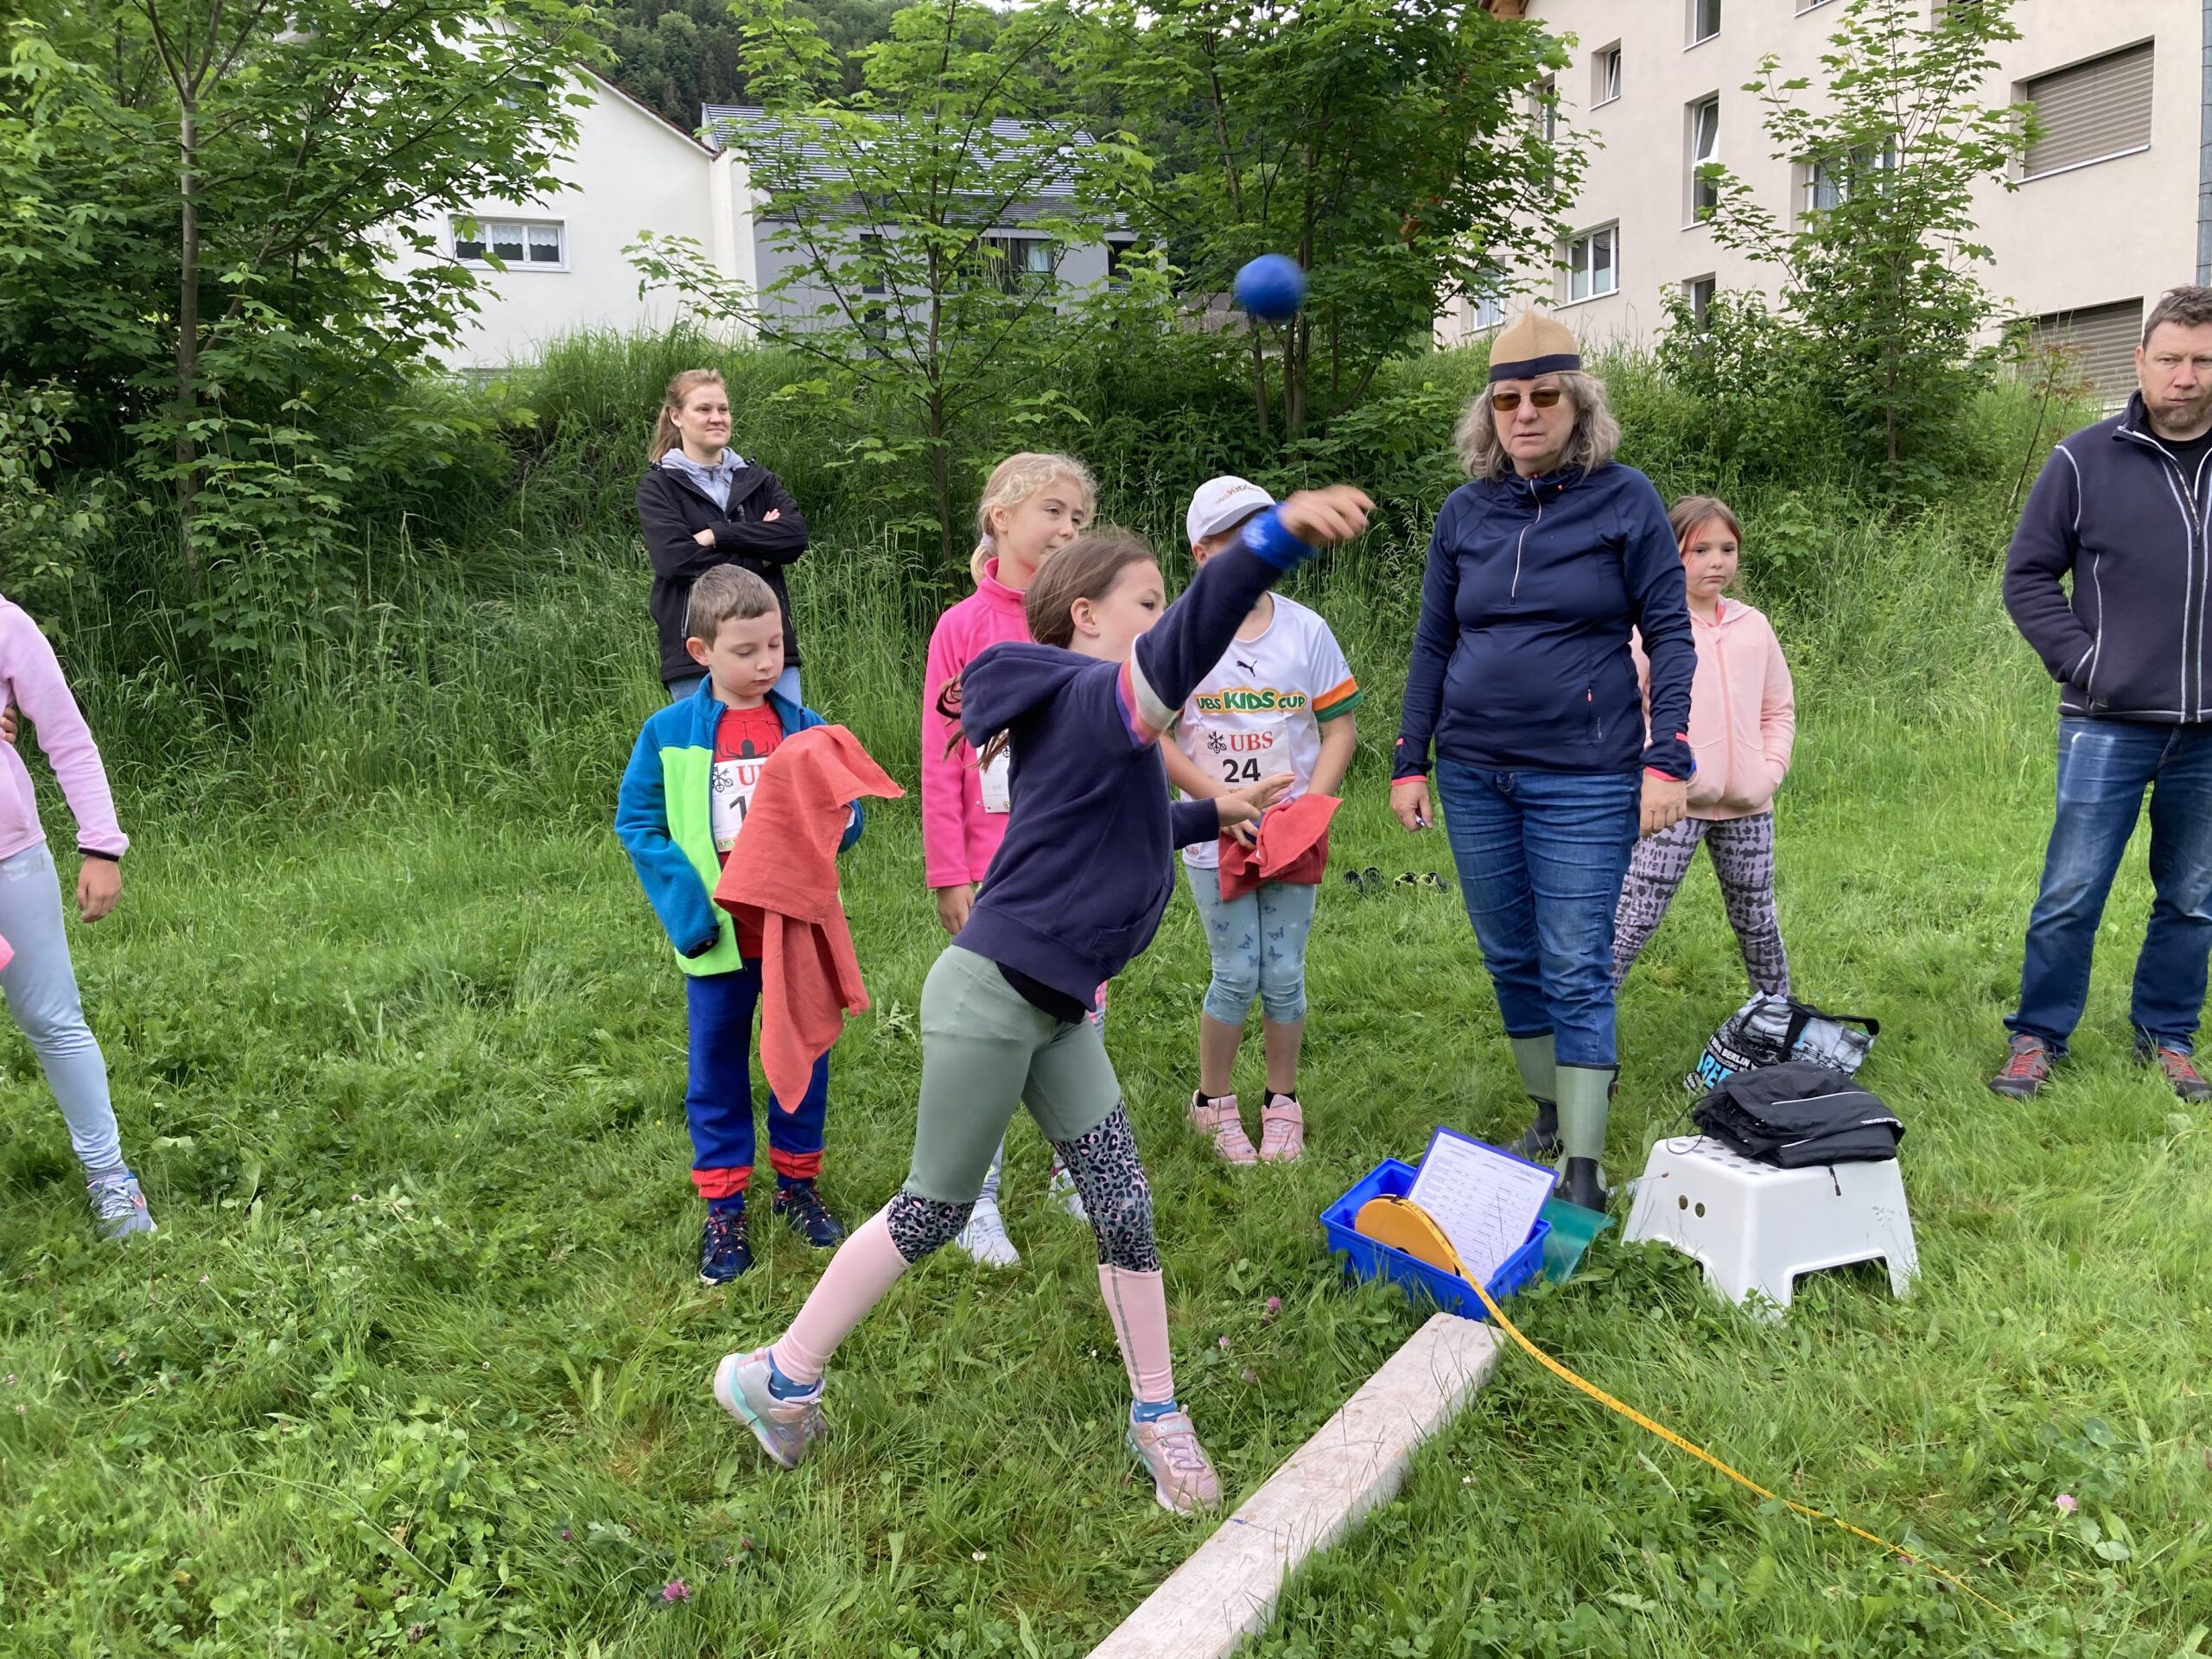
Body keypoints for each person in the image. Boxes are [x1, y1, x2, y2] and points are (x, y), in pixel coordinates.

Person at [709, 489, 1375, 1514]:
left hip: (1058, 1010)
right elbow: (1186, 646)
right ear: (1087, 618)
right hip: (990, 998)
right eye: (1148, 602)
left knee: (1124, 1204)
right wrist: (1270, 541)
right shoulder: (1089, 697)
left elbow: (1113, 828)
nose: (1164, 619)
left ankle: (1157, 1414)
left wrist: (1211, 813)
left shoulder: (1091, 727)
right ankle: (777, 1376)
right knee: (934, 1209)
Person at [1389, 311, 1694, 1211]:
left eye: (1544, 396)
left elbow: (1670, 634)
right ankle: (1549, 1117)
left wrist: (1667, 756)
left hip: (1585, 774)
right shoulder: (1464, 511)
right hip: (1473, 772)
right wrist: (1409, 760)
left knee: (1573, 957)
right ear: (1488, 412)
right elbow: (1433, 643)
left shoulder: (1625, 499)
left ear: (1577, 403)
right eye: (1507, 399)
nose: (1525, 413)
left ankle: (1585, 1171)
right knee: (1509, 953)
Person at [1992, 284, 2212, 1103]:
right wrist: (2088, 664)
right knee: (2072, 892)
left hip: (2210, 733)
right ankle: (2037, 1036)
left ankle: (2168, 1036)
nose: (2186, 377)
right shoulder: (2083, 459)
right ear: (2140, 362)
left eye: (2203, 361)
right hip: (2106, 723)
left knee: (2193, 898)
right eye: (2171, 359)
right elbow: (2027, 577)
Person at [615, 565, 857, 1284]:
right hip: (716, 942)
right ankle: (724, 1206)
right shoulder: (667, 734)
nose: (765, 663)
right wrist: (690, 915)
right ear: (701, 653)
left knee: (803, 1057)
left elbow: (847, 819)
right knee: (716, 1069)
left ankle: (797, 1185)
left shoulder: (806, 728)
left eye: (775, 646)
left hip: (793, 937)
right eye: (746, 651)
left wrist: (837, 821)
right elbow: (639, 825)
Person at [921, 452, 1096, 1267]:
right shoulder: (961, 627)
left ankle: (1075, 1173)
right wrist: (948, 870)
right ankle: (972, 1198)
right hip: (994, 869)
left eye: (1078, 518)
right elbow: (940, 757)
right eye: (1052, 512)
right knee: (990, 1030)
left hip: (1077, 859)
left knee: (1079, 1014)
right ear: (1001, 518)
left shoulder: (1086, 619)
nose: (1067, 529)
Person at [1161, 477, 1360, 1163]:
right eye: (1230, 539)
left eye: (1260, 531)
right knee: (1236, 971)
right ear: (1200, 553)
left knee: (1284, 973)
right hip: (1214, 832)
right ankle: (1211, 1104)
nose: (1250, 549)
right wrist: (1217, 803)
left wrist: (1309, 810)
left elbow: (1339, 729)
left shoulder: (1306, 630)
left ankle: (1282, 1101)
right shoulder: (1182, 633)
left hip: (1290, 833)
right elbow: (1154, 734)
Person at [0, 596, 147, 1238]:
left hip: (11, 861)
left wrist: (101, 846)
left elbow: (67, 736)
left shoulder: (6, 625)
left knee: (53, 1020)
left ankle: (110, 1175)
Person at [1611, 495, 1796, 995]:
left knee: (1758, 923)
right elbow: (1626, 712)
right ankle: (1582, 1022)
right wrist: (1664, 770)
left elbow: (1778, 711)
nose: (1717, 562)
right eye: (1700, 550)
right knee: (1633, 919)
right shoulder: (1646, 629)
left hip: (1749, 807)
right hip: (1672, 802)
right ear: (1670, 554)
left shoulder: (1754, 626)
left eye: (1727, 549)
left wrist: (1768, 772)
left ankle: (1779, 1020)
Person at [635, 369, 810, 705]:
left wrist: (718, 533)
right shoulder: (659, 487)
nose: (716, 417)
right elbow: (677, 561)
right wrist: (760, 554)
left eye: (723, 409)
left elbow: (793, 537)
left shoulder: (758, 479)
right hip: (697, 654)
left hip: (771, 653)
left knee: (787, 741)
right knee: (707, 742)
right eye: (704, 409)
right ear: (676, 416)